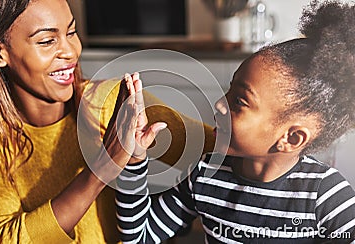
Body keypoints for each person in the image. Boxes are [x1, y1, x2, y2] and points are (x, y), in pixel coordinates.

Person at [0, 0, 215, 243]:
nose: (70, 51)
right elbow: (4, 238)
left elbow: (217, 149)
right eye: (47, 41)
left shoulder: (113, 101)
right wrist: (102, 168)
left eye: (71, 32)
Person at [116, 1, 355, 243]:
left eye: (240, 101)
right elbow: (140, 237)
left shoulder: (328, 198)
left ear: (291, 138)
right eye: (229, 90)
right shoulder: (205, 173)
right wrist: (134, 159)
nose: (219, 104)